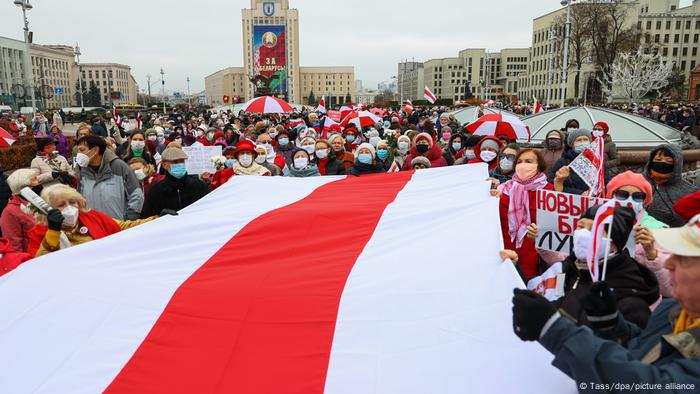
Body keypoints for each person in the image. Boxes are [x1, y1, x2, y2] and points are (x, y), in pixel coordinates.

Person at [511, 214, 700, 388]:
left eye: (683, 258)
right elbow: (642, 349)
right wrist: (611, 325)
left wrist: (555, 332)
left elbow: (652, 386)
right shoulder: (673, 309)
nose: (668, 263)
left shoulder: (637, 296)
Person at [35, 185, 163, 257]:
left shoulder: (93, 217)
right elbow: (39, 263)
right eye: (61, 204)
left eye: (72, 202)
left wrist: (159, 219)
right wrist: (53, 231)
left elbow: (124, 226)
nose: (69, 207)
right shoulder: (41, 232)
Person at [606, 171, 673, 297]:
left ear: (644, 200)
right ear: (611, 196)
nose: (630, 201)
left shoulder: (659, 230)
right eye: (622, 194)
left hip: (639, 303)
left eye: (637, 196)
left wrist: (652, 254)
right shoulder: (596, 223)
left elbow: (670, 289)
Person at [493, 149, 553, 280]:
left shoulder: (549, 192)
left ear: (539, 165)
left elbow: (554, 229)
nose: (523, 165)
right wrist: (490, 196)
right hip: (505, 255)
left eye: (529, 161)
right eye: (519, 162)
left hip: (534, 259)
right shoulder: (504, 190)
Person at [75, 135, 144, 220]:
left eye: (81, 150)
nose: (78, 154)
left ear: (95, 150)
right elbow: (80, 200)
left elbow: (136, 196)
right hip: (94, 228)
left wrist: (128, 220)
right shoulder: (83, 171)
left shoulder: (119, 167)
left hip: (119, 228)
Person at [140, 143, 210, 218]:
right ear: (164, 165)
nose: (180, 164)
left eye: (182, 161)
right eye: (175, 162)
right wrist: (159, 217)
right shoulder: (155, 191)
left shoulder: (200, 186)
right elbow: (146, 217)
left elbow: (210, 210)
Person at [643, 144, 699, 228]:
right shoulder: (637, 183)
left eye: (669, 162)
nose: (662, 163)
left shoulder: (689, 191)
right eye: (658, 159)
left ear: (677, 165)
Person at [550, 128, 610, 195]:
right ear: (572, 144)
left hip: (594, 201)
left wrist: (594, 192)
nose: (583, 142)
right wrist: (580, 193)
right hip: (570, 202)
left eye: (585, 139)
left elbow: (606, 182)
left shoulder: (597, 161)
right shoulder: (563, 162)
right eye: (579, 140)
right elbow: (552, 184)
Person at [0, 169, 39, 253]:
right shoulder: (10, 212)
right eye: (33, 183)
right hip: (31, 259)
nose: (38, 184)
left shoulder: (36, 203)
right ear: (23, 187)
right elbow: (13, 245)